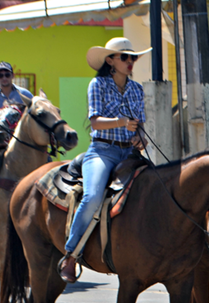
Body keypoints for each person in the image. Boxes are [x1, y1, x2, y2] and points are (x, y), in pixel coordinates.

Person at [58, 37, 150, 283]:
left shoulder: (137, 89)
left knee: (158, 191)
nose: (130, 61)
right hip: (103, 151)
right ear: (110, 60)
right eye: (125, 57)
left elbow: (140, 125)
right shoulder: (97, 84)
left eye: (133, 57)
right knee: (92, 197)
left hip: (130, 153)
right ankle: (71, 254)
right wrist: (122, 122)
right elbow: (96, 121)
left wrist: (141, 138)